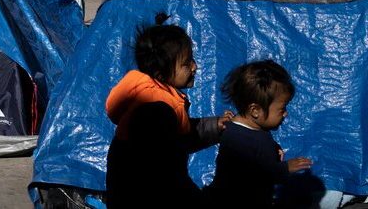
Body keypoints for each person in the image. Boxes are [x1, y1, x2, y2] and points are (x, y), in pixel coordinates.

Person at [104, 13, 233, 208]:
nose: (195, 67)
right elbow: (168, 172)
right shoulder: (157, 110)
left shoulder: (146, 91)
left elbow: (180, 135)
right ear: (160, 74)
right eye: (186, 63)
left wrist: (215, 126)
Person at [205, 60, 314, 208]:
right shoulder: (237, 140)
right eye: (282, 109)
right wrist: (285, 168)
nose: (286, 114)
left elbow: (259, 151)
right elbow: (251, 177)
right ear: (255, 110)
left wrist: (273, 148)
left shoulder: (254, 128)